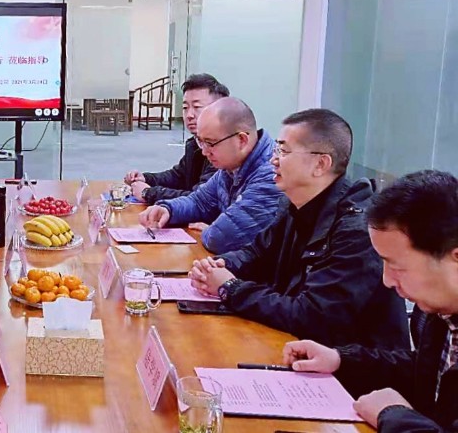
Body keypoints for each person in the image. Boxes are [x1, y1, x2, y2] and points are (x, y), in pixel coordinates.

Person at [189, 109, 408, 348]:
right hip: (295, 345)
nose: (273, 160)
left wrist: (231, 288)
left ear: (320, 164)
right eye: (276, 150)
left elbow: (312, 316)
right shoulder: (293, 204)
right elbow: (257, 253)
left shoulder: (356, 231)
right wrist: (219, 266)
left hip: (345, 361)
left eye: (284, 151)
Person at [281, 170, 458, 432]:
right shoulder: (441, 312)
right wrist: (341, 359)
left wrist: (394, 416)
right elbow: (428, 372)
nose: (387, 280)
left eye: (397, 267)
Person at [139, 97, 282, 253]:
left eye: (210, 143)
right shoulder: (230, 166)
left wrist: (210, 230)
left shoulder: (272, 174)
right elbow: (199, 201)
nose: (204, 152)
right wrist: (168, 210)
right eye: (201, 141)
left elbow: (222, 239)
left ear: (241, 140)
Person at [125, 73, 229, 204]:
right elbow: (178, 176)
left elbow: (200, 200)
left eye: (197, 107)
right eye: (185, 108)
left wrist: (148, 192)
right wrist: (146, 178)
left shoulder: (225, 149)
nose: (189, 115)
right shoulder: (195, 143)